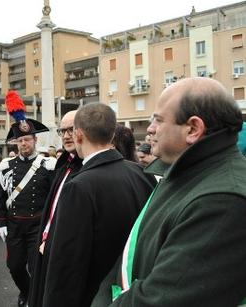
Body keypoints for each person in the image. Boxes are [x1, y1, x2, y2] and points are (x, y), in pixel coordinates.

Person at [92, 77, 246, 306]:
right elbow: (129, 257)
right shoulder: (184, 172)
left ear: (193, 129)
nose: (150, 129)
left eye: (158, 120)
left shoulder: (223, 200)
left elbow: (161, 298)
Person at [38, 103, 155, 307]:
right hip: (135, 292)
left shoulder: (79, 187)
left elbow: (67, 265)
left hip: (95, 296)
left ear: (78, 135)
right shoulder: (142, 174)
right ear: (112, 135)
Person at [0, 90, 56, 307]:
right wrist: (1, 223)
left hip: (37, 226)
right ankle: (27, 290)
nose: (23, 144)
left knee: (36, 265)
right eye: (20, 140)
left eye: (27, 139)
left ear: (35, 140)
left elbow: (53, 198)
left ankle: (34, 298)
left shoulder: (48, 165)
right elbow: (1, 197)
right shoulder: (6, 166)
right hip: (14, 226)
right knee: (14, 266)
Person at [29, 111, 84, 307]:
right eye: (63, 131)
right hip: (47, 244)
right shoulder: (63, 165)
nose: (67, 135)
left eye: (71, 129)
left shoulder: (86, 169)